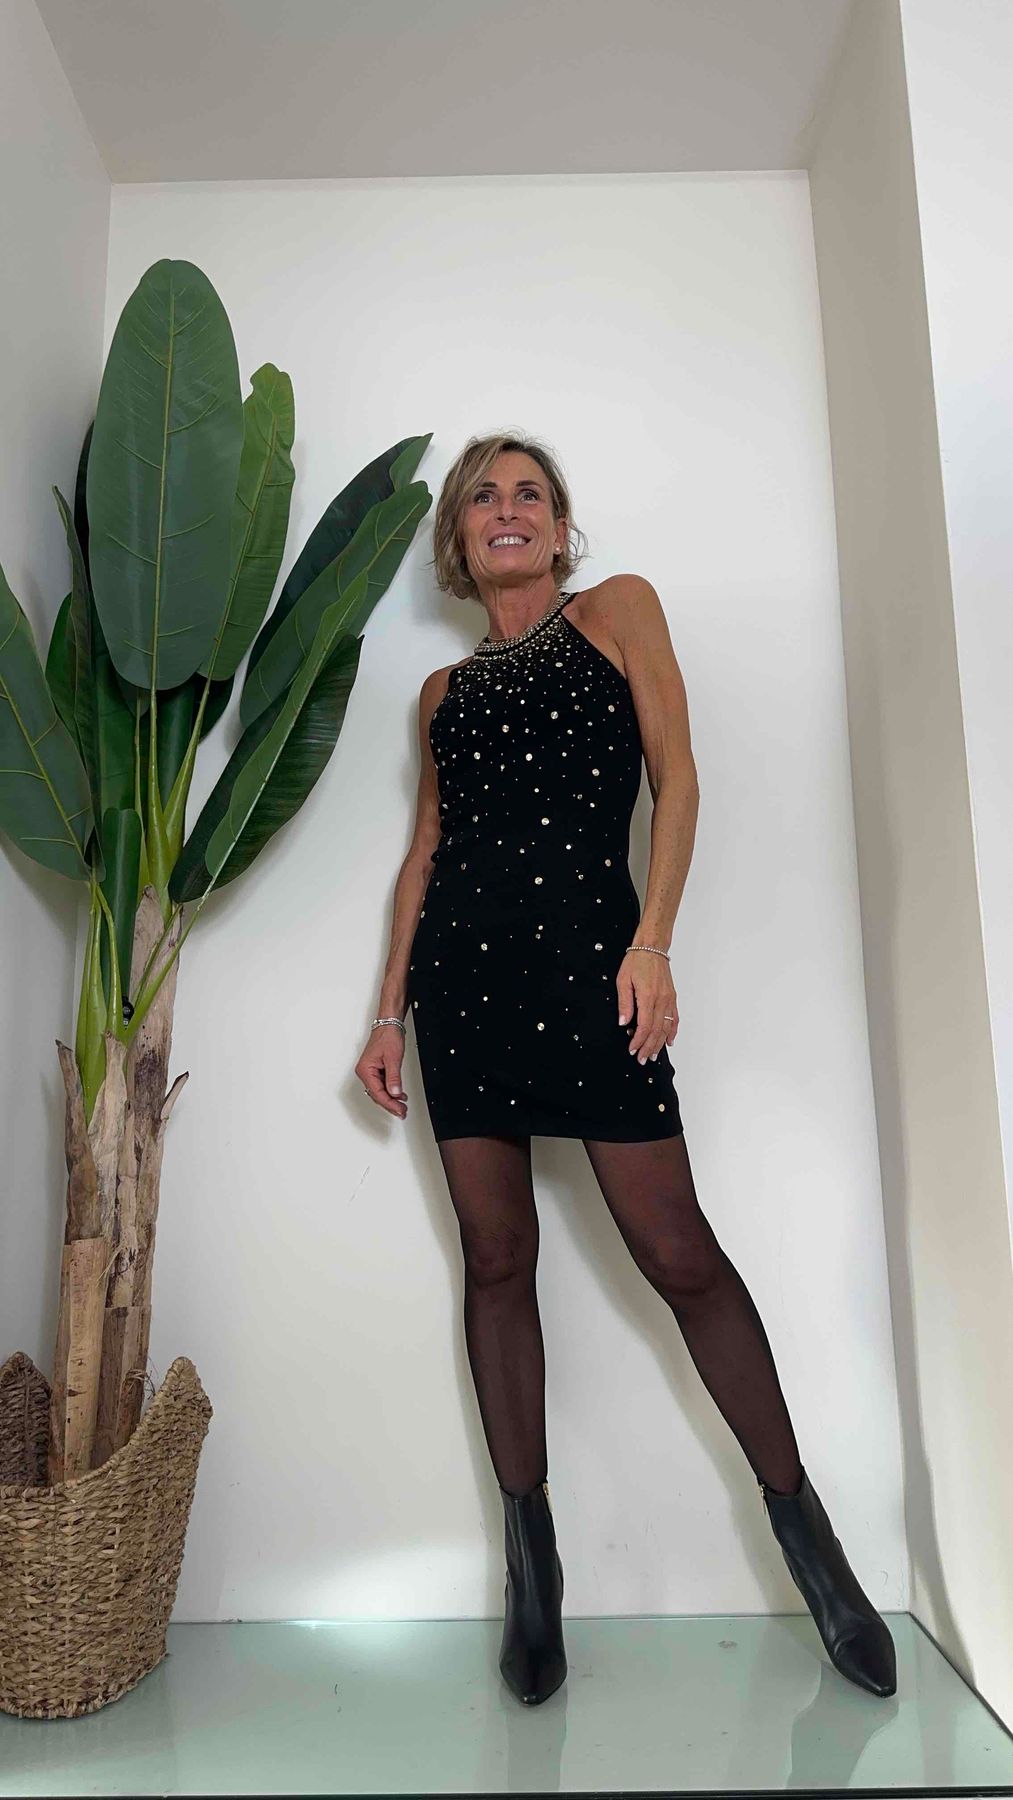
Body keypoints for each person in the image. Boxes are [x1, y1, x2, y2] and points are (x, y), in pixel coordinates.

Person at [355, 432, 895, 1707]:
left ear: (558, 526)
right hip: (465, 989)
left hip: (592, 976)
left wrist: (650, 941)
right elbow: (425, 853)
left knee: (677, 1253)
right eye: (482, 497)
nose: (505, 510)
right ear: (458, 537)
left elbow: (678, 778)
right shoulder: (439, 694)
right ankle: (531, 1566)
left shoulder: (616, 612)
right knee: (496, 1260)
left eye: (528, 494)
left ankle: (807, 1539)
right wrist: (386, 1012)